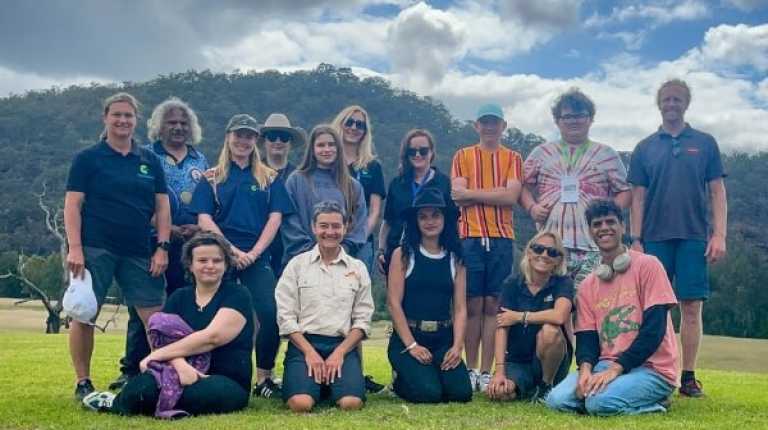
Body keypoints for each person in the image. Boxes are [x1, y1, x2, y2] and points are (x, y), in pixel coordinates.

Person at [64, 92, 171, 400]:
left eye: (129, 116)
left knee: (155, 317)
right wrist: (75, 248)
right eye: (117, 115)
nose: (123, 120)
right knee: (84, 313)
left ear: (136, 120)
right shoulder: (88, 159)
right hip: (95, 248)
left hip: (139, 249)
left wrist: (162, 247)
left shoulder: (149, 160)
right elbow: (72, 205)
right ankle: (83, 381)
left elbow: (162, 208)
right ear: (106, 118)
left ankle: (162, 377)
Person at [82, 232, 254, 417]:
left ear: (226, 264)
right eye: (203, 260)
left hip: (224, 377)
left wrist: (156, 356)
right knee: (141, 389)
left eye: (217, 261)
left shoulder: (237, 295)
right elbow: (162, 338)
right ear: (190, 264)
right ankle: (119, 401)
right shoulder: (179, 297)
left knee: (197, 395)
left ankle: (134, 404)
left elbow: (213, 337)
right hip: (174, 372)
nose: (210, 266)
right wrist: (180, 366)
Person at [628, 79, 727, 397]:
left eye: (678, 99)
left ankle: (688, 376)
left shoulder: (705, 142)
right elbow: (637, 198)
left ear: (686, 103)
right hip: (654, 238)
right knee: (655, 309)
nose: (672, 104)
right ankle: (655, 370)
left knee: (691, 307)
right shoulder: (645, 147)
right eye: (667, 99)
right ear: (659, 104)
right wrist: (636, 240)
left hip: (694, 237)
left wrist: (719, 234)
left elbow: (717, 192)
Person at [190, 114, 292, 398]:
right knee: (211, 315)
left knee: (270, 314)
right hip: (218, 256)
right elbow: (204, 218)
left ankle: (264, 378)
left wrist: (254, 253)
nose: (243, 141)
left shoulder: (269, 178)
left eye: (249, 136)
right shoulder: (211, 177)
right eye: (239, 135)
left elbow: (275, 219)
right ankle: (204, 371)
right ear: (228, 137)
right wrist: (231, 252)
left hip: (257, 257)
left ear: (255, 140)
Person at [111, 97, 209, 390]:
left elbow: (206, 200)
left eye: (183, 123)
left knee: (184, 305)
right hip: (153, 243)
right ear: (159, 127)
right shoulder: (144, 156)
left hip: (191, 246)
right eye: (171, 123)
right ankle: (132, 368)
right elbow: (140, 202)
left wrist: (195, 228)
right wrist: (168, 229)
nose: (178, 128)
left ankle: (180, 364)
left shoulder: (200, 160)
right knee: (145, 304)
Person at [546, 200, 679, 416]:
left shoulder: (649, 266)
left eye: (611, 222)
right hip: (604, 366)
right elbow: (587, 338)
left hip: (651, 369)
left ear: (622, 226)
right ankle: (616, 396)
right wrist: (586, 372)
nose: (604, 228)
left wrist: (617, 370)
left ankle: (656, 403)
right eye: (597, 224)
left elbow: (654, 330)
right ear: (590, 231)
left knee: (598, 403)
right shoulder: (589, 284)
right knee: (556, 400)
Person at [521, 89, 631, 288]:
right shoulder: (541, 153)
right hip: (550, 248)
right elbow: (522, 187)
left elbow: (624, 191)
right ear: (557, 120)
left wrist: (607, 215)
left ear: (590, 119)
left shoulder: (607, 154)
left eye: (580, 115)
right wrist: (532, 208)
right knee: (552, 305)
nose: (574, 121)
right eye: (568, 116)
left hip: (593, 246)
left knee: (590, 303)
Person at [450, 103, 523, 392]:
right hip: (469, 235)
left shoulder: (513, 157)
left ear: (503, 126)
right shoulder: (462, 156)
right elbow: (457, 197)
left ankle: (486, 370)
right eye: (484, 122)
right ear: (476, 126)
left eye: (495, 122)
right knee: (471, 304)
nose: (490, 127)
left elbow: (511, 197)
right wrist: (492, 194)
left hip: (502, 237)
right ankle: (470, 368)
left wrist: (472, 194)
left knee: (494, 304)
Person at [276, 201, 374, 413]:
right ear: (313, 227)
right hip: (304, 346)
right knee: (301, 404)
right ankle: (314, 384)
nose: (330, 232)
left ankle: (330, 383)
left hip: (342, 346)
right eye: (324, 226)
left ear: (345, 227)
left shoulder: (357, 269)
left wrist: (339, 352)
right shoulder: (297, 265)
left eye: (336, 226)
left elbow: (363, 319)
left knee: (351, 404)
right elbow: (286, 317)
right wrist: (310, 352)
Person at [386, 188, 472, 403]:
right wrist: (412, 345)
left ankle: (432, 372)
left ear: (445, 219)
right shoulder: (403, 254)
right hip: (410, 338)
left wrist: (457, 346)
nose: (429, 221)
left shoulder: (456, 257)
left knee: (461, 393)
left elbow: (460, 308)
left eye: (435, 215)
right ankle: (400, 379)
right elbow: (393, 304)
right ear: (415, 221)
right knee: (429, 394)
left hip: (443, 338)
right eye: (423, 216)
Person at [487, 231, 573, 403]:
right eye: (538, 249)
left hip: (552, 361)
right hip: (518, 361)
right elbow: (502, 326)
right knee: (501, 392)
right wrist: (499, 371)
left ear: (558, 260)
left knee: (550, 331)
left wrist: (520, 317)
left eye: (552, 252)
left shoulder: (563, 282)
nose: (544, 255)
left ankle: (545, 387)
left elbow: (559, 316)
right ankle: (526, 388)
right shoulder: (512, 283)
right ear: (529, 252)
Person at [281, 125, 367, 264]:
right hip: (301, 261)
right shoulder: (295, 181)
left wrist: (342, 250)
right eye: (321, 145)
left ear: (338, 148)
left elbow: (359, 225)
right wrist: (312, 252)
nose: (327, 150)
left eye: (331, 145)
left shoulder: (353, 186)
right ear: (312, 150)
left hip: (342, 263)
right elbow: (289, 222)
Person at [378, 129, 456, 276]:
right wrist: (381, 250)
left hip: (433, 252)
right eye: (412, 151)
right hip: (398, 253)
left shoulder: (444, 183)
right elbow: (388, 221)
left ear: (432, 152)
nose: (418, 155)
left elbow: (452, 220)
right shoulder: (397, 183)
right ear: (406, 154)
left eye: (423, 151)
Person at [331, 105, 386, 274]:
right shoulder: (328, 161)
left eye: (360, 125)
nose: (354, 128)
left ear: (365, 131)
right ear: (340, 124)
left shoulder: (373, 166)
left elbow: (375, 211)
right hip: (329, 237)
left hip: (361, 244)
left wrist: (358, 238)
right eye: (349, 122)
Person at [259, 112, 304, 277]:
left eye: (284, 137)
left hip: (291, 246)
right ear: (264, 141)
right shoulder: (251, 172)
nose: (278, 141)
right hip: (258, 245)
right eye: (272, 136)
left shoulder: (300, 176)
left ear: (290, 143)